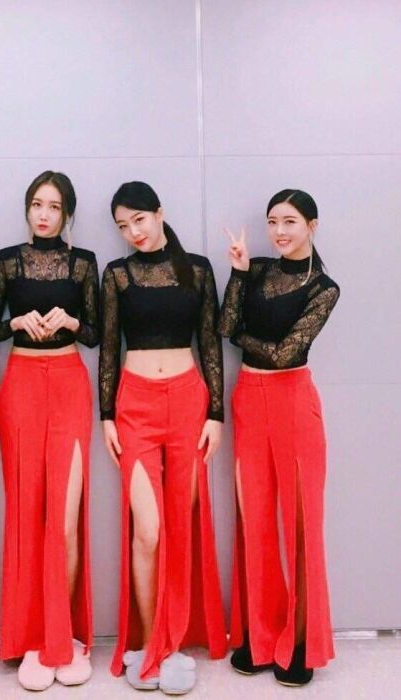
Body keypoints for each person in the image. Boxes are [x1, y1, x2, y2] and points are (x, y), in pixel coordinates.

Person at [100, 181, 227, 694]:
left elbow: (210, 341)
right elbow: (109, 346)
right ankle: (152, 641)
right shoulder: (117, 274)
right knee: (148, 530)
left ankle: (171, 645)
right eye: (122, 226)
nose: (133, 232)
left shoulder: (197, 269)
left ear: (159, 213)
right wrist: (106, 415)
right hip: (134, 405)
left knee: (179, 527)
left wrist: (215, 412)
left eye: (139, 219)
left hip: (188, 401)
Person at [218, 188, 339, 687]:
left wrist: (242, 336)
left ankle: (302, 641)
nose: (280, 231)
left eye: (290, 221)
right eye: (273, 222)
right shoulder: (258, 270)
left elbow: (286, 352)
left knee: (301, 523)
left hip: (293, 403)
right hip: (249, 399)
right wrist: (238, 273)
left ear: (312, 225)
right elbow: (225, 324)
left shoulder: (324, 288)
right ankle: (260, 635)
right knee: (256, 519)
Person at [0, 171, 98, 691]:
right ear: (27, 208)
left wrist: (73, 323)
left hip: (70, 385)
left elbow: (100, 332)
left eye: (54, 206)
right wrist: (15, 323)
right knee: (26, 514)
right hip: (21, 386)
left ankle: (64, 635)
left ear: (67, 214)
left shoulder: (84, 264)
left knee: (65, 517)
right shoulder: (7, 261)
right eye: (37, 203)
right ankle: (32, 637)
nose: (44, 214)